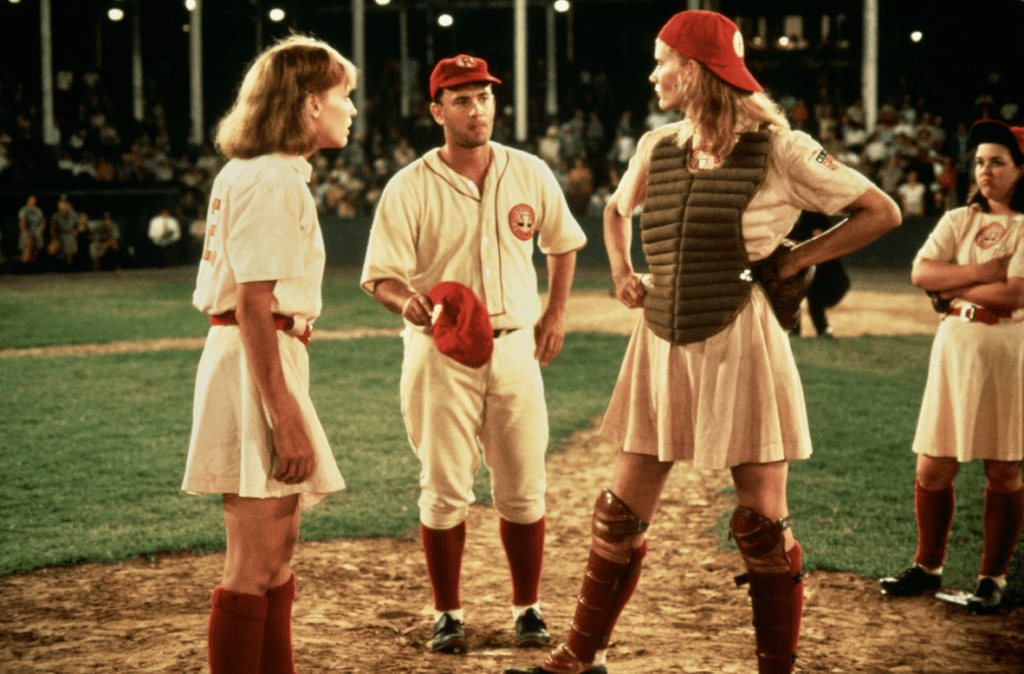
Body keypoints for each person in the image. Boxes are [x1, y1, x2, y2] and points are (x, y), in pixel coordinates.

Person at [506, 10, 901, 674]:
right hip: (660, 336)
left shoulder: (780, 146)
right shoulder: (656, 145)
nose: (654, 72)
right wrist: (625, 269)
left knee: (760, 523)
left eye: (663, 60)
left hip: (739, 336)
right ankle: (580, 653)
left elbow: (880, 211)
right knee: (618, 513)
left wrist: (799, 256)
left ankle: (776, 665)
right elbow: (612, 210)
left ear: (695, 69)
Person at [360, 54, 587, 656]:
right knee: (443, 488)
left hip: (514, 347)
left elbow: (563, 244)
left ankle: (528, 610)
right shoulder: (408, 185)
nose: (477, 107)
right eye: (461, 99)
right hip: (441, 352)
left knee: (523, 487)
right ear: (437, 111)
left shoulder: (530, 171)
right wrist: (405, 301)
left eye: (484, 96)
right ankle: (447, 614)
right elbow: (379, 277)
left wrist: (556, 313)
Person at [180, 35, 355, 674]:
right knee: (254, 563)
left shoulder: (260, 171)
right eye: (343, 95)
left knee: (277, 552)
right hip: (257, 358)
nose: (350, 108)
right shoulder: (272, 178)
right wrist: (284, 415)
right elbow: (254, 305)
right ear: (310, 104)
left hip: (262, 355)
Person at [879, 119, 1024, 614]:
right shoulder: (959, 219)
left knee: (1003, 470)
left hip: (1010, 346)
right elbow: (921, 272)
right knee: (933, 464)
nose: (986, 170)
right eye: (980, 161)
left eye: (998, 162)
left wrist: (948, 286)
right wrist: (982, 273)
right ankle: (928, 566)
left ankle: (992, 579)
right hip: (956, 346)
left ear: (1021, 169)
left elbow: (1017, 292)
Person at [789, 210, 851, 338]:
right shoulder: (790, 214)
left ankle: (821, 329)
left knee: (814, 299)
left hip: (818, 265)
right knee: (793, 297)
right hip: (798, 262)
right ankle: (794, 330)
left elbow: (821, 237)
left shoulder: (813, 214)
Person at [49, 194, 79, 269]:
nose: (62, 205)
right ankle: (54, 267)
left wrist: (76, 231)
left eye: (64, 203)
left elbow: (80, 223)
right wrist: (54, 240)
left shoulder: (73, 214)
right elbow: (52, 229)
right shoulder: (56, 215)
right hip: (59, 235)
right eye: (60, 203)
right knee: (52, 249)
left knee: (69, 254)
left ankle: (69, 268)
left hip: (69, 235)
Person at [18, 194, 46, 266]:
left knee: (35, 251)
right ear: (28, 200)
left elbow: (43, 221)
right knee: (27, 250)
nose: (33, 201)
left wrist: (41, 229)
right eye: (31, 199)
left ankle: (32, 269)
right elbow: (22, 223)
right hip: (27, 232)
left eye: (34, 200)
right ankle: (23, 268)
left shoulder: (38, 210)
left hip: (36, 232)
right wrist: (26, 235)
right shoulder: (23, 210)